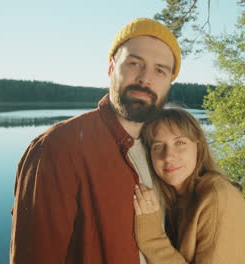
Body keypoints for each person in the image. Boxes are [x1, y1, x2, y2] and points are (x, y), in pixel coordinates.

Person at [10, 18, 181, 264]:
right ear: (112, 68)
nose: (146, 78)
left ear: (168, 83)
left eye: (160, 70)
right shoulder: (58, 147)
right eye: (134, 63)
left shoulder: (163, 148)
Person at [133, 107, 245, 263]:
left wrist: (152, 238)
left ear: (199, 146)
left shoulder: (216, 198)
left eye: (180, 142)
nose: (168, 156)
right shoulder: (177, 198)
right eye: (158, 146)